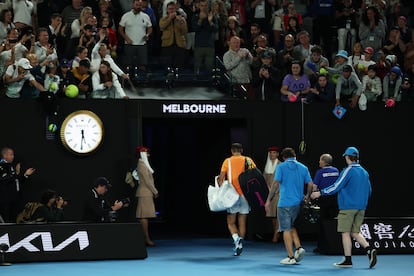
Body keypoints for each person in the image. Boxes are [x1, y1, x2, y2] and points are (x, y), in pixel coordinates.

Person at [311, 146, 377, 269]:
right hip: (361, 207)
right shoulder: (364, 172)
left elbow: (336, 186)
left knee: (345, 232)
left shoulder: (348, 170)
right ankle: (370, 249)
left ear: (347, 157)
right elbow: (369, 190)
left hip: (347, 207)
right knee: (355, 232)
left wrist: (320, 193)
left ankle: (348, 260)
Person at [265, 147, 313, 265]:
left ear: (283, 157)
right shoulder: (303, 167)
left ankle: (290, 257)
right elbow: (310, 184)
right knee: (290, 225)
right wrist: (307, 196)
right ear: (294, 155)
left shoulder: (281, 167)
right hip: (297, 203)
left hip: (284, 203)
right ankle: (299, 247)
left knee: (285, 229)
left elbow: (275, 184)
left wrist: (268, 200)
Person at [217, 142, 257, 256]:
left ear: (231, 151)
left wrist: (220, 189)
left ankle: (236, 239)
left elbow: (221, 178)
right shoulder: (248, 160)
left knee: (230, 222)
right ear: (242, 150)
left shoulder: (227, 161)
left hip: (232, 195)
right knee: (242, 221)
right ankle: (240, 243)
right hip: (245, 194)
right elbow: (255, 175)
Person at [312, 153, 339, 253]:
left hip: (323, 200)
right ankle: (335, 245)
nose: (319, 162)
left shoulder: (319, 172)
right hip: (335, 200)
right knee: (334, 222)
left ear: (324, 162)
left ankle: (322, 246)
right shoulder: (336, 171)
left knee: (322, 224)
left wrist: (313, 196)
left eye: (320, 160)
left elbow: (314, 187)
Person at [0, 147, 36, 223]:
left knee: (14, 220)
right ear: (5, 155)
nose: (13, 156)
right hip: (6, 199)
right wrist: (16, 173)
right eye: (11, 154)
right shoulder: (2, 166)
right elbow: (4, 180)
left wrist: (25, 175)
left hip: (15, 199)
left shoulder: (11, 165)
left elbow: (15, 181)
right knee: (7, 221)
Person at [135, 146, 159, 247]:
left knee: (145, 216)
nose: (148, 155)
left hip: (146, 192)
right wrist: (155, 191)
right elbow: (147, 181)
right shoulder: (142, 165)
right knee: (144, 216)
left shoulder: (144, 164)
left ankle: (145, 237)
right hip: (145, 192)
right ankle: (146, 238)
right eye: (147, 153)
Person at [262, 146, 281, 243]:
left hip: (278, 193)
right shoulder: (267, 165)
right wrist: (268, 188)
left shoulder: (280, 165)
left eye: (274, 152)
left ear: (277, 154)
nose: (272, 154)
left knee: (278, 214)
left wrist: (275, 189)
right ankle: (276, 232)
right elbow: (264, 178)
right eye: (271, 152)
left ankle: (276, 235)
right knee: (272, 216)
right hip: (269, 193)